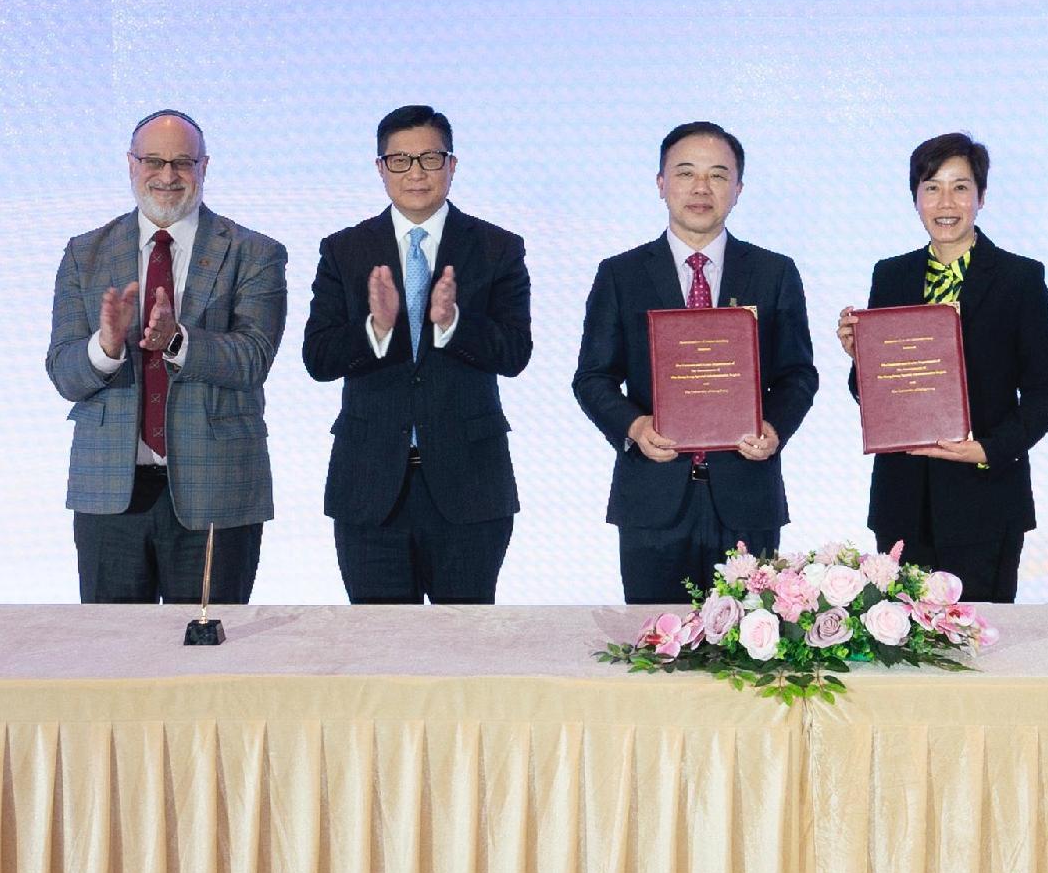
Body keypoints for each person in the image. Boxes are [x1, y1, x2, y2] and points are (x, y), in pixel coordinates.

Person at [46, 109, 288, 604]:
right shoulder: (84, 253)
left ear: (204, 167)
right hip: (109, 496)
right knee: (113, 663)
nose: (168, 175)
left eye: (183, 162)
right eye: (154, 160)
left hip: (217, 492)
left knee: (208, 664)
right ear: (131, 165)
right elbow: (64, 372)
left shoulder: (255, 252)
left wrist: (177, 341)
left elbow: (253, 357)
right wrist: (106, 347)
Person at [572, 120, 819, 603]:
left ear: (738, 189)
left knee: (748, 662)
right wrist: (634, 427)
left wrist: (774, 428)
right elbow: (592, 377)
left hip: (747, 496)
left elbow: (799, 375)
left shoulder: (774, 272)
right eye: (685, 173)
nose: (701, 188)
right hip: (652, 500)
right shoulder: (621, 275)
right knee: (657, 655)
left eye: (718, 175)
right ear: (662, 184)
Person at [300, 105, 532, 603]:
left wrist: (453, 324)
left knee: (464, 651)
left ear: (452, 164)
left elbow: (515, 353)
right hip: (369, 486)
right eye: (401, 160)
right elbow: (318, 358)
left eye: (430, 158)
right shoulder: (344, 250)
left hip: (470, 485)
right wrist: (375, 328)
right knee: (380, 654)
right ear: (380, 169)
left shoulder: (498, 248)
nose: (417, 173)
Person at [837, 133, 1048, 602]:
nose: (946, 202)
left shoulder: (1020, 278)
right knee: (901, 649)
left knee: (979, 647)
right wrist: (863, 359)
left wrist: (986, 448)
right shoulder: (891, 274)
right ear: (915, 198)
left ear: (981, 197)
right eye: (931, 187)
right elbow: (873, 393)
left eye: (960, 187)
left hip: (986, 498)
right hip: (902, 501)